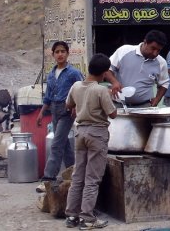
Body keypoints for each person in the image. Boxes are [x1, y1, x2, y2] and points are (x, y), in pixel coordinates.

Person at [64, 53, 117, 229]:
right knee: (92, 178)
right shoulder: (101, 90)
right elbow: (113, 113)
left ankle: (71, 216)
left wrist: (80, 108)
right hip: (97, 134)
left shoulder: (76, 86)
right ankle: (87, 218)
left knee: (78, 176)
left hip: (80, 133)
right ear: (104, 73)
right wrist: (111, 97)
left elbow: (68, 105)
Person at [37, 41, 83, 186]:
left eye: (63, 51)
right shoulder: (51, 74)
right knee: (64, 144)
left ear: (67, 53)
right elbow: (48, 96)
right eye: (57, 52)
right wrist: (41, 113)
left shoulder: (73, 73)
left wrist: (76, 105)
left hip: (67, 111)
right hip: (54, 111)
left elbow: (81, 89)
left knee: (56, 144)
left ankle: (48, 177)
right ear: (53, 55)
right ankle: (73, 172)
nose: (60, 54)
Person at [109, 30, 169, 108]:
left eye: (159, 50)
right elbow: (107, 69)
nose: (155, 53)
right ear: (145, 42)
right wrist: (114, 82)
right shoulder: (124, 51)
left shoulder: (161, 62)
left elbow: (164, 83)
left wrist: (157, 100)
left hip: (144, 107)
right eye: (153, 48)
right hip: (118, 105)